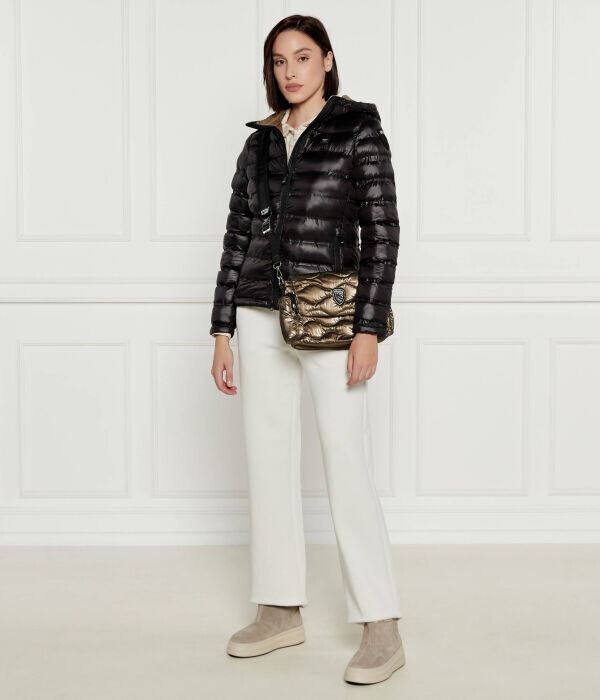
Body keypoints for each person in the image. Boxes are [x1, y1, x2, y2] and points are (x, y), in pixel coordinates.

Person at [209, 14, 404, 685]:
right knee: (267, 460)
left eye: (302, 56)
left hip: (331, 317)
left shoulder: (358, 130)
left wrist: (369, 327)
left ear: (327, 60)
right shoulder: (260, 143)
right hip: (259, 311)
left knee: (346, 460)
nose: (290, 70)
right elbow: (237, 236)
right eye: (278, 60)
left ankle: (381, 624)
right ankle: (279, 608)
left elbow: (383, 231)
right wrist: (222, 329)